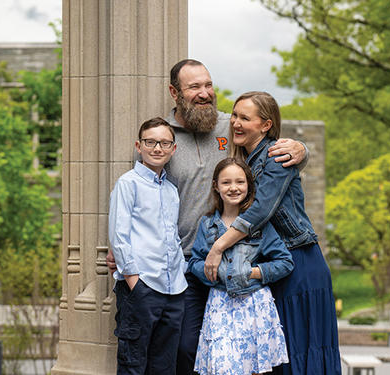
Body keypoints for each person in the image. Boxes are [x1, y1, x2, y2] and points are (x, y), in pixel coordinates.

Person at [106, 59, 308, 374]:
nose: (205, 94)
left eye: (208, 85)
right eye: (194, 87)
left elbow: (266, 143)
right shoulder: (161, 140)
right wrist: (120, 246)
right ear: (174, 92)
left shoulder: (230, 126)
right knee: (186, 349)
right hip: (181, 265)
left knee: (242, 351)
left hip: (233, 257)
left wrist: (300, 149)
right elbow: (140, 195)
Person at [204, 91, 341, 374]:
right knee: (276, 356)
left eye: (245, 117)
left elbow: (260, 212)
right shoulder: (242, 158)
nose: (235, 123)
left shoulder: (276, 155)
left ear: (266, 125)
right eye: (234, 115)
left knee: (301, 350)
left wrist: (217, 248)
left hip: (299, 262)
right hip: (270, 265)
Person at [189, 158, 293, 375]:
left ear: (249, 186)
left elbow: (285, 262)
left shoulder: (260, 226)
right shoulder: (207, 225)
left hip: (254, 304)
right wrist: (212, 273)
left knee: (254, 368)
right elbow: (195, 262)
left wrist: (253, 272)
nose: (234, 188)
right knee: (221, 366)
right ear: (216, 186)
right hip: (220, 303)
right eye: (226, 182)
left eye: (240, 182)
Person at [108, 117, 187, 374]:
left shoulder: (171, 190)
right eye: (150, 142)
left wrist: (179, 273)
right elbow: (119, 237)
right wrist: (134, 283)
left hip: (173, 290)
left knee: (164, 366)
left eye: (164, 143)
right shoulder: (128, 183)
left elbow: (172, 236)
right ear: (138, 146)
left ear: (173, 149)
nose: (157, 148)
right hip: (141, 289)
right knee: (133, 364)